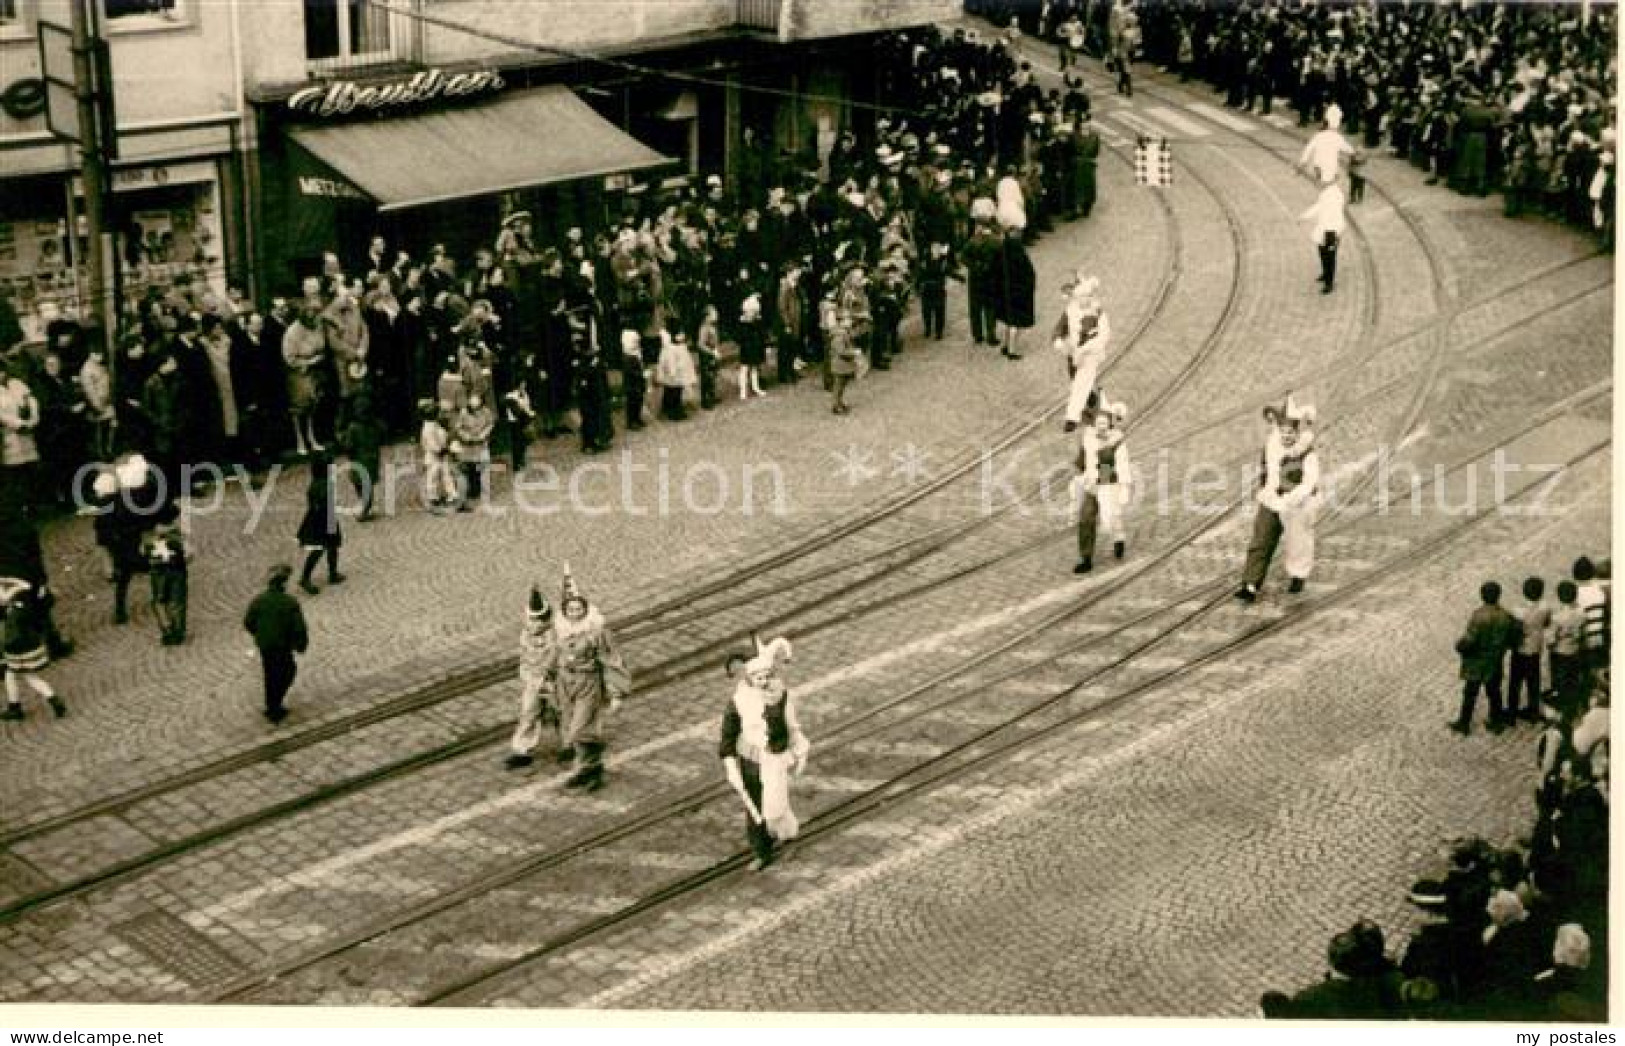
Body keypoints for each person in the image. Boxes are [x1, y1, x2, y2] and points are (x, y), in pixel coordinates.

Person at [718, 636, 809, 871]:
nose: (763, 681)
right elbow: (728, 736)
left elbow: (792, 726)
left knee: (776, 802)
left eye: (767, 676)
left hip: (775, 758)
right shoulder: (738, 701)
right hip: (750, 760)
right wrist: (730, 765)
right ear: (748, 677)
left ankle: (785, 832)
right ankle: (761, 849)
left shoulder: (780, 696)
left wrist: (800, 750)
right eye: (758, 677)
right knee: (755, 808)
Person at [553, 564, 632, 792]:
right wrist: (547, 680)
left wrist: (617, 693)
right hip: (565, 684)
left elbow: (612, 661)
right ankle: (587, 769)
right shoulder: (560, 631)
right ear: (565, 611)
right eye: (571, 610)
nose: (574, 613)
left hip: (588, 683)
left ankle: (595, 755)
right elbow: (552, 656)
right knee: (570, 731)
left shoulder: (597, 633)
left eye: (579, 609)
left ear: (585, 611)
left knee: (581, 729)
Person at [243, 562, 309, 725]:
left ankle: (272, 705)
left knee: (270, 672)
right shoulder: (289, 602)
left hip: (265, 645)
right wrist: (300, 644)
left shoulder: (259, 600)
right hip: (282, 645)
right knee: (288, 671)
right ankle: (275, 705)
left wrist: (259, 634)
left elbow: (248, 621)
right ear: (284, 584)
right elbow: (299, 627)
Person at [1071, 401, 1132, 574]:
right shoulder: (1088, 440)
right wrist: (1078, 478)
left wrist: (1125, 487)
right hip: (1091, 481)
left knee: (1110, 516)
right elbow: (1081, 461)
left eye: (1105, 423)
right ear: (1094, 425)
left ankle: (1118, 538)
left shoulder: (1116, 441)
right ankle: (1086, 558)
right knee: (1086, 517)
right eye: (1098, 423)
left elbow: (1122, 465)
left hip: (1108, 478)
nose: (1101, 427)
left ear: (1109, 424)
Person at [505, 586, 561, 770]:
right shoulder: (526, 633)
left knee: (561, 712)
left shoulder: (553, 635)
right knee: (529, 712)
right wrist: (526, 673)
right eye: (531, 620)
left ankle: (575, 741)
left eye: (537, 621)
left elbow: (555, 657)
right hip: (534, 680)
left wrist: (548, 674)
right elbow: (525, 655)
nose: (533, 623)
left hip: (552, 680)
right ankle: (522, 749)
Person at [1452, 580, 1516, 736]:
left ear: (1482, 596)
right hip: (1494, 660)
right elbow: (1512, 638)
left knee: (1470, 693)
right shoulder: (1506, 616)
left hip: (1476, 661)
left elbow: (1469, 640)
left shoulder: (1478, 616)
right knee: (1494, 692)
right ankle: (1496, 721)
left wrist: (1459, 647)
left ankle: (1464, 723)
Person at [0, 580, 65, 721]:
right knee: (12, 673)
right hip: (31, 643)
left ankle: (51, 698)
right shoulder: (26, 599)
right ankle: (15, 705)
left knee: (24, 675)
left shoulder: (8, 605)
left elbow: (4, 600)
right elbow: (25, 586)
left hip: (15, 646)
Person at [1054, 275, 1110, 431]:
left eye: (1088, 296)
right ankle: (1093, 399)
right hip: (1073, 354)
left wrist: (1087, 348)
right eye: (1081, 297)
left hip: (1090, 355)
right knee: (1077, 380)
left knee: (1079, 384)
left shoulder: (1098, 312)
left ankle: (1072, 418)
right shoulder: (1070, 310)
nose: (1085, 300)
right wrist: (1058, 340)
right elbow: (1059, 328)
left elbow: (1104, 335)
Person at [296, 454, 345, 595]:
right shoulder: (324, 484)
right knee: (321, 548)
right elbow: (324, 502)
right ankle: (307, 577)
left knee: (331, 546)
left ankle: (332, 573)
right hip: (323, 519)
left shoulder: (317, 483)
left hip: (320, 518)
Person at [1508, 577, 1550, 724]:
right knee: (1534, 681)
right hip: (1535, 648)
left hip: (1520, 650)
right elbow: (1546, 623)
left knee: (1515, 682)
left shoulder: (1517, 611)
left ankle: (1512, 712)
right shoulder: (1545, 608)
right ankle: (1533, 710)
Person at [141, 521, 188, 646]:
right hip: (176, 567)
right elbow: (188, 554)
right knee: (177, 600)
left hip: (158, 569)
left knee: (159, 600)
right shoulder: (174, 533)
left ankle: (166, 629)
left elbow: (142, 552)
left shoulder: (148, 536)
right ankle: (178, 631)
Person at [996, 225, 1036, 360]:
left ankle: (1006, 346)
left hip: (1006, 290)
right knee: (1016, 323)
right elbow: (1027, 271)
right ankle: (1012, 351)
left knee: (1009, 321)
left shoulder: (1003, 250)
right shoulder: (1017, 251)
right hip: (1019, 290)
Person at [1301, 178, 1348, 294]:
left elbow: (1333, 214)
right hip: (1323, 230)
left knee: (1330, 257)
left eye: (1322, 181)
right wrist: (1304, 217)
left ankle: (1329, 283)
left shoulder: (1335, 195)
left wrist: (1336, 233)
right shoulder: (1325, 194)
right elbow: (1318, 207)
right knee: (1322, 252)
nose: (1319, 183)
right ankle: (1325, 273)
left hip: (1332, 231)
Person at [418, 399, 457, 512]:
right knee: (433, 476)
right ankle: (432, 497)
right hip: (433, 456)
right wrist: (442, 449)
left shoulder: (435, 424)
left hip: (442, 454)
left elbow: (442, 436)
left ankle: (452, 495)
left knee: (446, 474)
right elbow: (431, 444)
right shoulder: (428, 428)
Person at [655, 328, 697, 422]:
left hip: (675, 373)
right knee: (674, 392)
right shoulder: (671, 348)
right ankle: (674, 412)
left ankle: (668, 409)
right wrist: (673, 372)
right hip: (674, 374)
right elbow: (671, 362)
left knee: (671, 391)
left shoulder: (677, 346)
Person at [736, 294, 768, 399]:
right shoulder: (742, 323)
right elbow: (739, 338)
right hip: (746, 349)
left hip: (756, 348)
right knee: (744, 369)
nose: (753, 314)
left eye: (755, 312)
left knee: (755, 368)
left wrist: (764, 345)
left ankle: (756, 387)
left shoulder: (758, 322)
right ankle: (743, 390)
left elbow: (762, 334)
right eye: (751, 311)